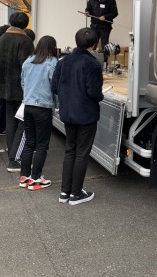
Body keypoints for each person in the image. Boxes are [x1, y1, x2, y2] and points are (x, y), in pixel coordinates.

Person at [52, 27, 103, 205]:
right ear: (94, 44)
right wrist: (101, 96)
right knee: (82, 153)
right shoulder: (93, 64)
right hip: (86, 114)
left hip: (67, 113)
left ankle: (65, 192)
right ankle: (76, 194)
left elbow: (54, 87)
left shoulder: (63, 61)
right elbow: (94, 93)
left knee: (70, 151)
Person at [0, 12, 34, 173]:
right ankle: (15, 158)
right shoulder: (24, 40)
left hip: (4, 85)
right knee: (23, 122)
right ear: (25, 24)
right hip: (19, 87)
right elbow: (28, 66)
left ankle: (12, 155)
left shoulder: (3, 38)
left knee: (10, 120)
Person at [18, 35, 58, 190]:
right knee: (42, 145)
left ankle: (24, 177)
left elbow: (22, 82)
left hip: (28, 105)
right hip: (43, 107)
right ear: (52, 47)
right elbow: (55, 86)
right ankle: (35, 179)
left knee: (29, 142)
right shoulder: (52, 62)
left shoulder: (28, 60)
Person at [85, 0, 118, 70]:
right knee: (92, 44)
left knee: (104, 46)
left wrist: (105, 17)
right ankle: (90, 63)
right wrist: (87, 13)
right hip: (94, 26)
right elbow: (88, 9)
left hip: (105, 27)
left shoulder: (110, 0)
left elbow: (115, 13)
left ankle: (104, 65)